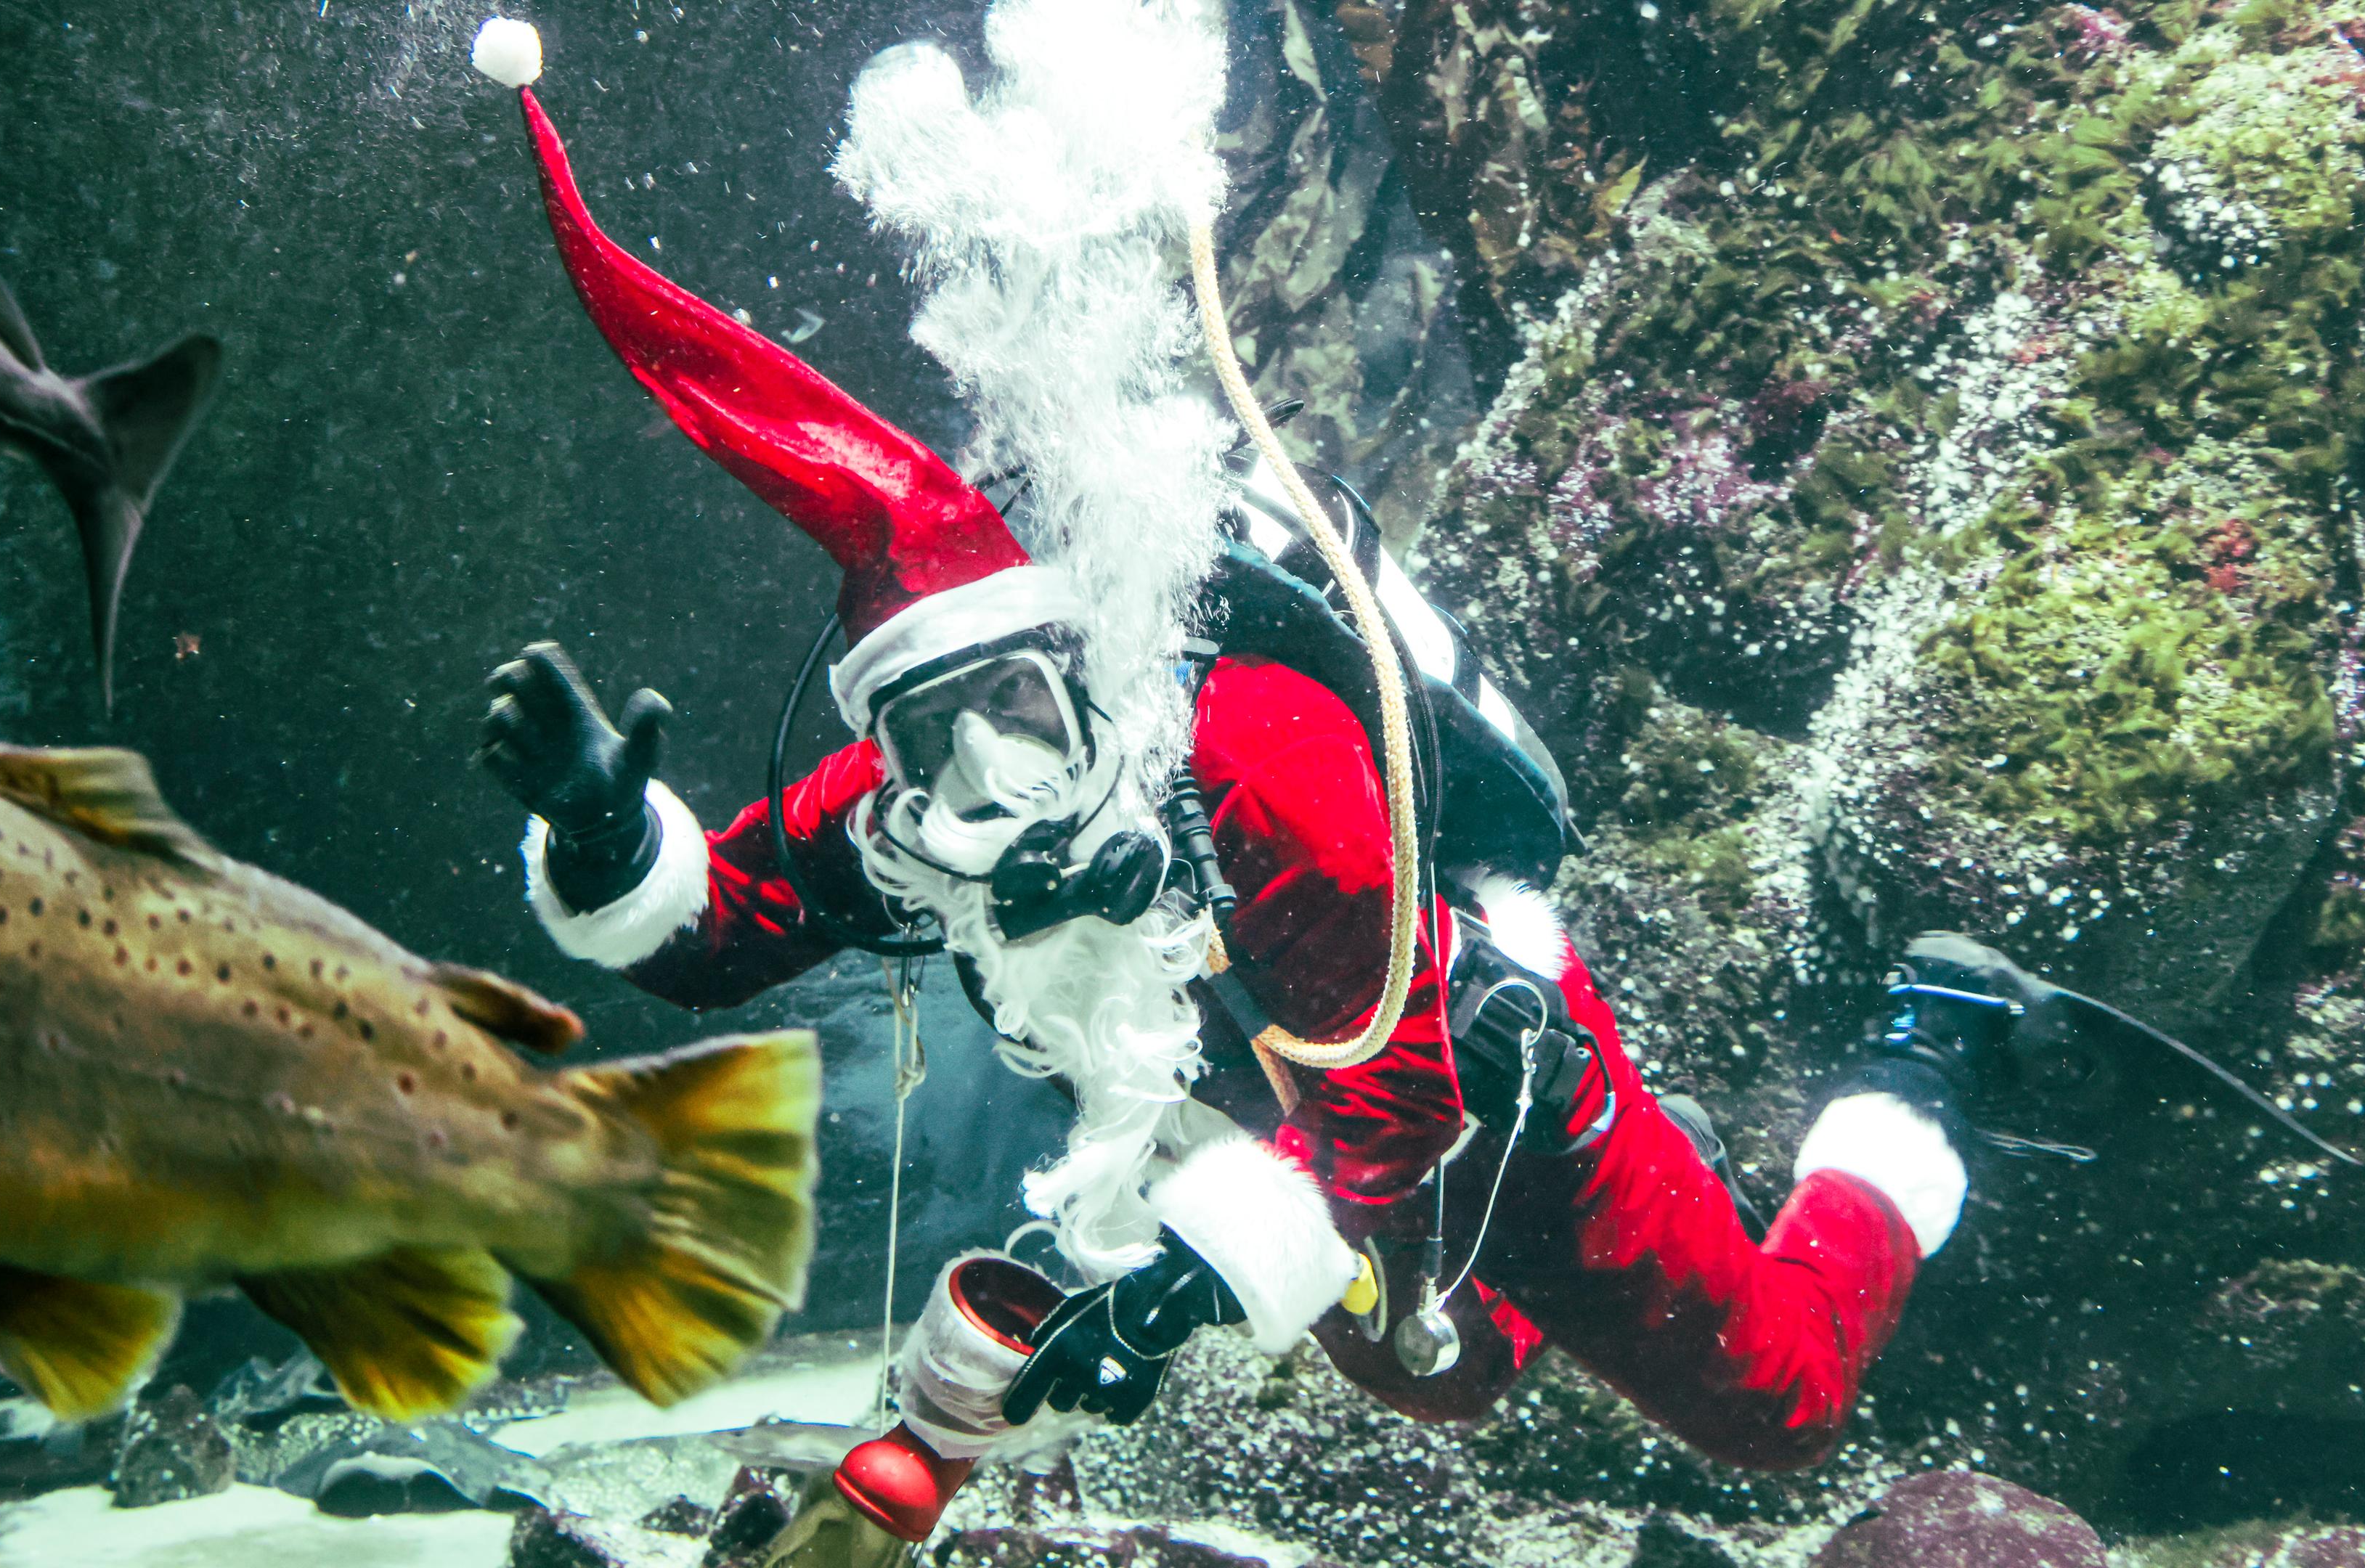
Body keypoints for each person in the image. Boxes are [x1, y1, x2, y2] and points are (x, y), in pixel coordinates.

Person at [467, 62, 2027, 1545]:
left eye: (1015, 706)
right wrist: (610, 844)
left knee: (1781, 1403)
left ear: (1079, 669)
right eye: (933, 732)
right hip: (1281, 1111)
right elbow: (717, 930)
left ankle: (1925, 1048)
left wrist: (1180, 1296)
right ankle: (1547, 1252)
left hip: (1472, 1073)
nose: (988, 771)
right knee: (1442, 1375)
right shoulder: (903, 812)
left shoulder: (1261, 770)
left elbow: (1394, 1116)